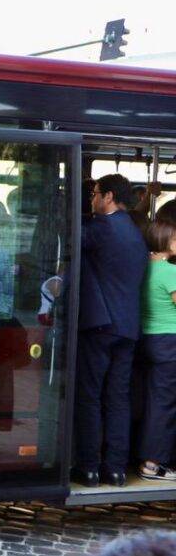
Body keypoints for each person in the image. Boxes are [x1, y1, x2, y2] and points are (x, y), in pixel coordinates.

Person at [73, 174, 148, 488]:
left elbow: (68, 236)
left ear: (108, 197)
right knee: (118, 398)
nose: (92, 199)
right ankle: (116, 469)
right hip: (128, 327)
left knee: (89, 396)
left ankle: (89, 467)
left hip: (99, 325)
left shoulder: (101, 228)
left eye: (94, 193)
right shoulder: (135, 232)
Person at [138, 220, 176, 482]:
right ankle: (153, 464)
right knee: (165, 404)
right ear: (166, 241)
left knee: (152, 399)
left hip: (148, 339)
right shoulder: (170, 272)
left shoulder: (144, 267)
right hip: (170, 341)